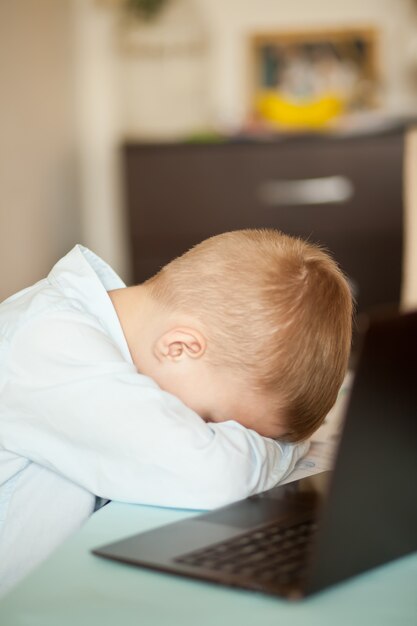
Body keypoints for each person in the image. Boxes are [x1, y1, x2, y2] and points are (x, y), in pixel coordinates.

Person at [0, 229, 353, 594]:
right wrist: (285, 447)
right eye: (215, 421)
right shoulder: (48, 344)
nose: (216, 434)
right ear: (180, 347)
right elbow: (211, 474)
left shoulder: (100, 336)